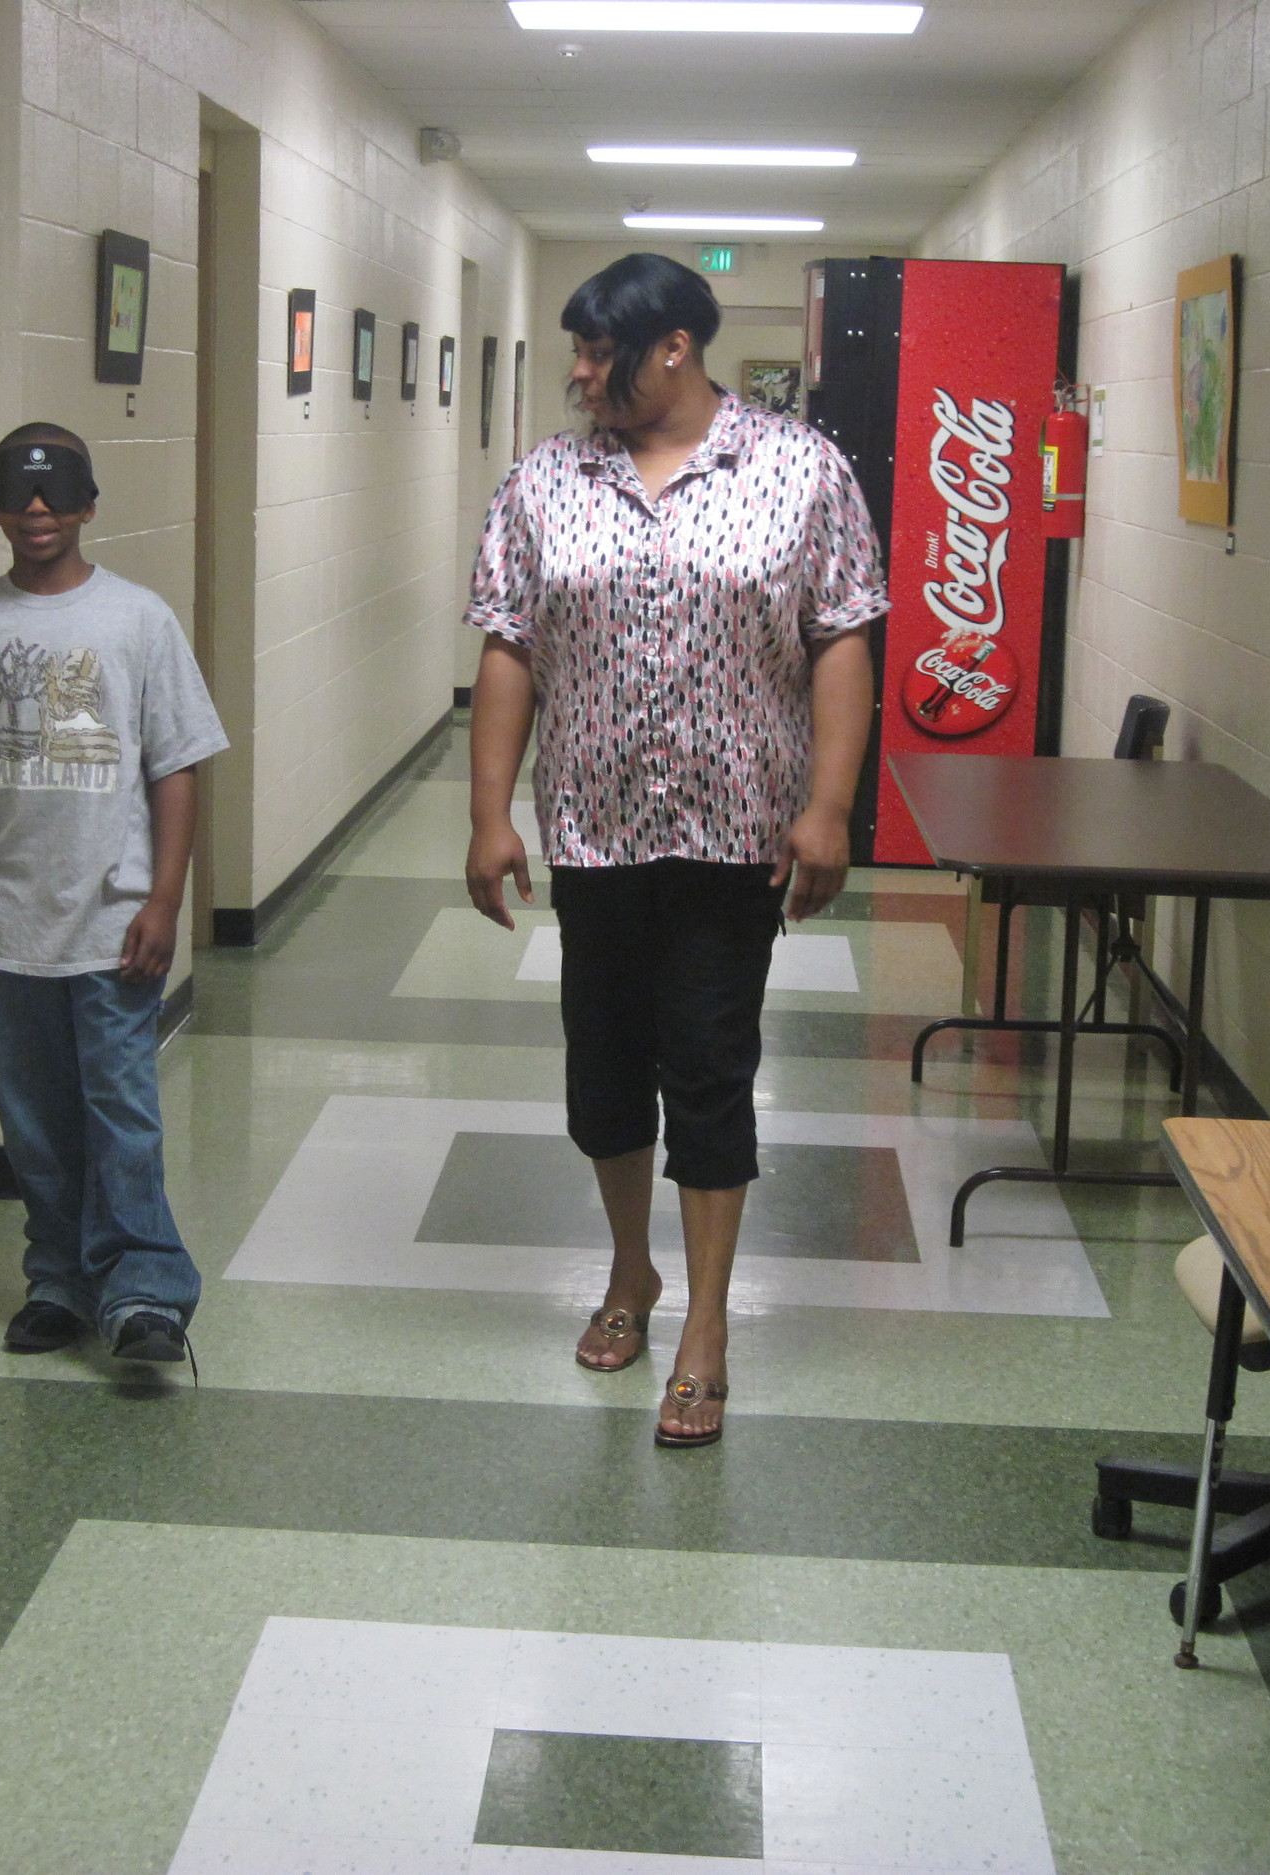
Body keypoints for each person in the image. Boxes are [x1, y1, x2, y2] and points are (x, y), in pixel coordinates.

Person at [464, 254, 886, 1448]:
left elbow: (842, 637)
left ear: (673, 350)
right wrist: (492, 814)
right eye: (578, 354)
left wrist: (830, 804)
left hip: (735, 827)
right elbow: (508, 645)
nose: (582, 375)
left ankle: (704, 1327)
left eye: (601, 354)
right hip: (594, 825)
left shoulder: (800, 469)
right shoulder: (545, 480)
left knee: (707, 1066)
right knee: (601, 1073)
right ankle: (628, 1272)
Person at [0, 423, 227, 1364]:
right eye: (19, 495)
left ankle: (144, 1289)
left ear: (88, 506)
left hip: (113, 916)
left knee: (120, 1107)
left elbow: (177, 766)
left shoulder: (137, 620)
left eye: (57, 496)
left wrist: (166, 897)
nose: (38, 511)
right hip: (10, 921)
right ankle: (58, 1276)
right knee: (34, 1116)